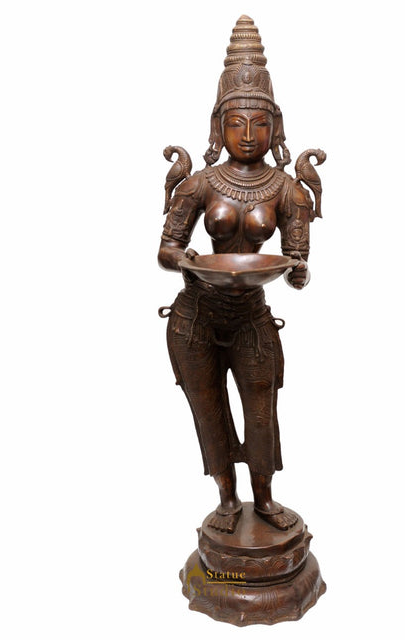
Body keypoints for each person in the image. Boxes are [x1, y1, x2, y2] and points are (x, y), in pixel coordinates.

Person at [158, 16, 322, 534]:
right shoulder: (200, 184)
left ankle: (265, 497)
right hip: (195, 317)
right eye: (236, 124)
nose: (248, 135)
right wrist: (188, 261)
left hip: (252, 315)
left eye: (258, 124)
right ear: (218, 127)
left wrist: (296, 271)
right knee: (208, 411)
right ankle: (227, 499)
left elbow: (297, 261)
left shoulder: (288, 190)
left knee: (261, 410)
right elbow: (167, 248)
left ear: (275, 127)